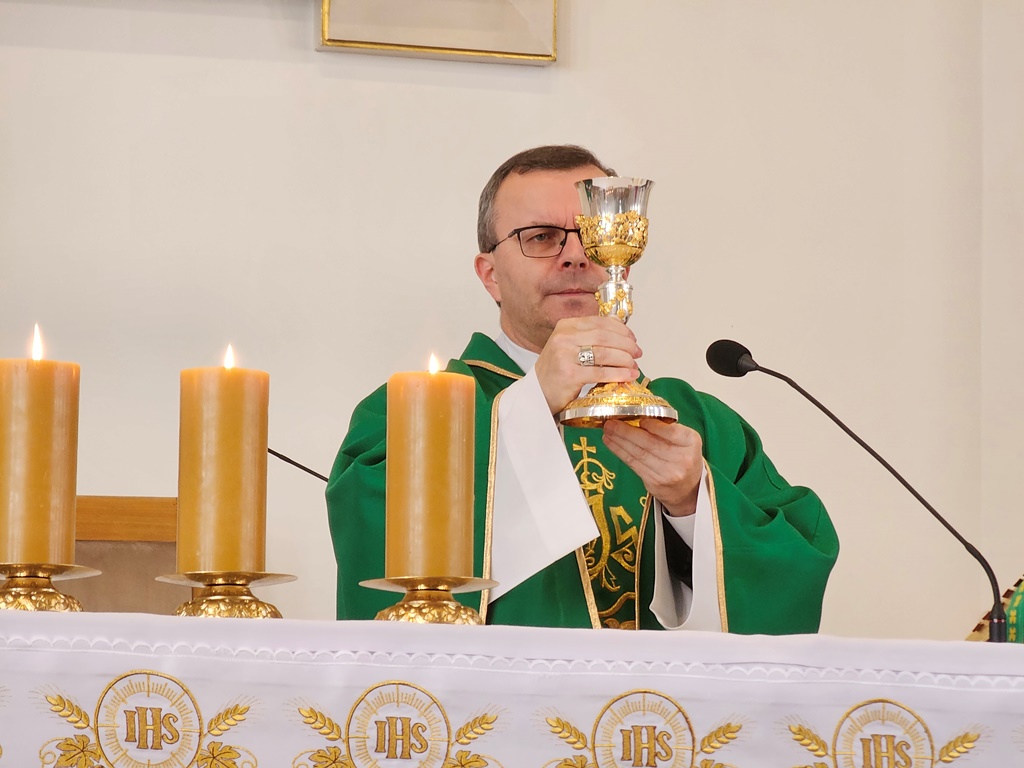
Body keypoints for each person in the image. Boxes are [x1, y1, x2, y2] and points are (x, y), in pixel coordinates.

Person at [327, 145, 838, 633]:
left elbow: (790, 568)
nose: (574, 256)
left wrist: (692, 505)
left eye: (591, 235)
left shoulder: (695, 421)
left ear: (623, 261)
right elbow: (372, 533)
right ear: (490, 275)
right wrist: (532, 403)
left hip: (653, 698)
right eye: (541, 237)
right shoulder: (417, 411)